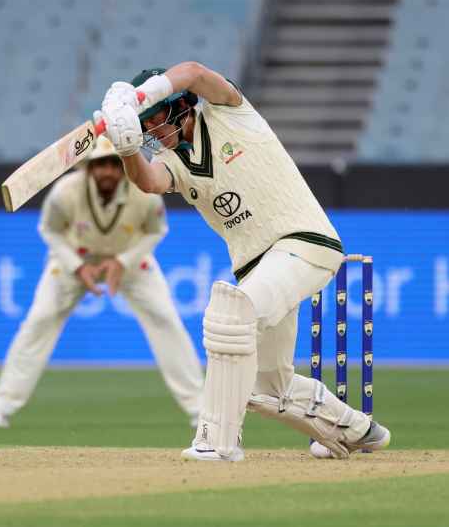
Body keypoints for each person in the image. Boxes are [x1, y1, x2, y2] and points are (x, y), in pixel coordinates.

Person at [95, 63, 391, 462]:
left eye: (153, 120)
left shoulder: (228, 111)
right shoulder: (175, 163)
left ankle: (217, 441)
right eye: (144, 127)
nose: (152, 132)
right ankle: (358, 429)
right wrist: (128, 147)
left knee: (232, 313)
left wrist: (139, 97)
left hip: (305, 243)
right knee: (267, 388)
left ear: (179, 104)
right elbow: (149, 182)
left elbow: (195, 72)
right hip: (259, 267)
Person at [0, 136, 203, 429]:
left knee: (166, 320)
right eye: (101, 164)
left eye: (114, 164)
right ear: (88, 167)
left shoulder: (144, 192)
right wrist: (76, 265)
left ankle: (200, 409)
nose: (107, 171)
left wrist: (123, 262)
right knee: (39, 320)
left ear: (124, 166)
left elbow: (156, 231)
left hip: (129, 261)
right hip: (75, 259)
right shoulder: (65, 192)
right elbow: (50, 230)